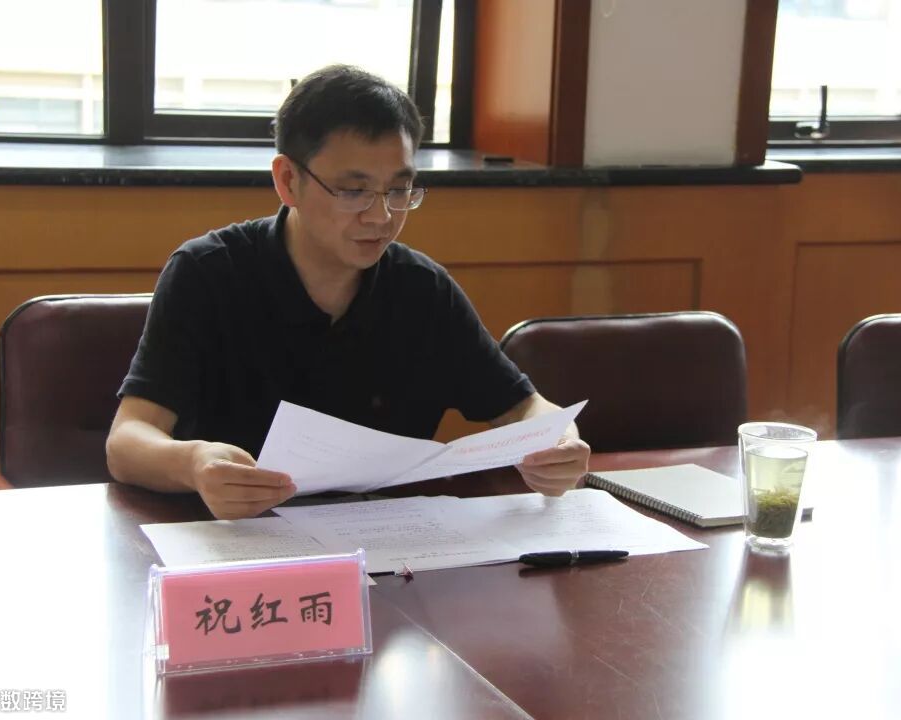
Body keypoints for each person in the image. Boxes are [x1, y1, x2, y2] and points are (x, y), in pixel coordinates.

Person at [105, 65, 589, 520]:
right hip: (234, 539)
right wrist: (194, 464)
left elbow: (524, 406)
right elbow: (127, 440)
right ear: (288, 180)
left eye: (398, 190)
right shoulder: (208, 273)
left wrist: (559, 443)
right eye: (354, 191)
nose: (381, 217)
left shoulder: (422, 290)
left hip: (387, 543)